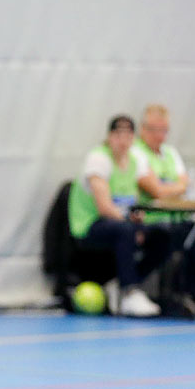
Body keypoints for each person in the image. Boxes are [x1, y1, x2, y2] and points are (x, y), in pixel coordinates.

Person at [133, 104, 195, 318]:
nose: (159, 136)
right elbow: (157, 191)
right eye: (154, 130)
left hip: (180, 218)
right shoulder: (136, 153)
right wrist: (174, 188)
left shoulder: (170, 153)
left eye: (164, 130)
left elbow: (184, 185)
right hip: (154, 221)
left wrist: (170, 188)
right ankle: (176, 297)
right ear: (143, 129)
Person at [67, 115, 171, 317]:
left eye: (127, 135)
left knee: (163, 235)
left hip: (121, 224)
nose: (123, 140)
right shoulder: (99, 159)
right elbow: (105, 207)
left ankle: (120, 284)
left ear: (133, 138)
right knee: (126, 231)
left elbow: (132, 202)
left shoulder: (134, 160)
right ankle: (129, 292)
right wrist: (133, 227)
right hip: (89, 225)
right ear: (109, 137)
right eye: (118, 135)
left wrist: (138, 220)